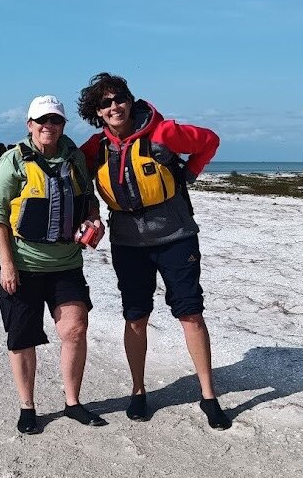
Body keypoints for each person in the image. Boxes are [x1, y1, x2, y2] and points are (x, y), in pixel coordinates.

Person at [76, 72, 232, 430]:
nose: (114, 106)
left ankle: (209, 396)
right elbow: (69, 170)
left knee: (190, 314)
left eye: (119, 99)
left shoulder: (164, 132)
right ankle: (138, 391)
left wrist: (189, 173)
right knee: (135, 317)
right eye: (105, 103)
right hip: (128, 244)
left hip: (176, 237)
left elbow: (210, 140)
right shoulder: (95, 149)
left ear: (130, 101)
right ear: (97, 112)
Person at [0, 95, 107, 434]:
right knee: (22, 337)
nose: (48, 126)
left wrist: (94, 220)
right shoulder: (13, 161)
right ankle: (28, 407)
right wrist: (6, 264)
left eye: (55, 120)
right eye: (41, 120)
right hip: (23, 263)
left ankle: (73, 402)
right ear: (30, 125)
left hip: (66, 262)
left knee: (75, 329)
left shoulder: (75, 158)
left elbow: (89, 200)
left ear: (63, 125)